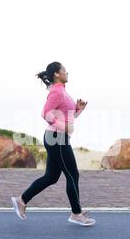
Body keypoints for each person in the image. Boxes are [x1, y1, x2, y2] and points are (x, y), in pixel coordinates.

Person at [11, 61, 96, 226]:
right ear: (57, 74)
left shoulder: (62, 91)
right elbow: (45, 114)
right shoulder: (57, 92)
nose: (67, 72)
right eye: (64, 70)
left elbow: (67, 118)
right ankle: (76, 213)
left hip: (57, 137)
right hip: (56, 138)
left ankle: (22, 200)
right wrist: (63, 127)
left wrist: (78, 110)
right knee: (72, 174)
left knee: (51, 177)